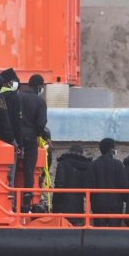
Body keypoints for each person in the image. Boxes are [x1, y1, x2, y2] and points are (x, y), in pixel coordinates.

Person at [19, 74, 48, 209]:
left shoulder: (18, 96)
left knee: (12, 168)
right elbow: (41, 123)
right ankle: (27, 201)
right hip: (31, 138)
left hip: (16, 137)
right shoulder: (40, 102)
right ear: (39, 86)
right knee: (29, 169)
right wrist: (37, 134)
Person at [85, 138, 128, 227]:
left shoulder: (93, 165)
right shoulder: (118, 165)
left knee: (99, 233)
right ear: (111, 150)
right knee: (114, 233)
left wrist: (93, 200)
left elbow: (89, 185)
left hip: (98, 205)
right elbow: (124, 185)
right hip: (115, 205)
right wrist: (124, 198)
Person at [53, 145, 91, 225]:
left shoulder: (63, 164)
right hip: (78, 207)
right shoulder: (85, 166)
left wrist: (55, 205)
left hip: (62, 206)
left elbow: (59, 184)